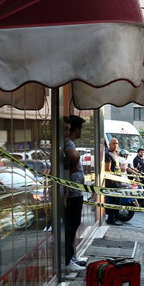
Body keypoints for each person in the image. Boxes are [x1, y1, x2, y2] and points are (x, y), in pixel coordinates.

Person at [63, 115, 88, 271]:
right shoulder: (68, 142)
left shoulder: (68, 142)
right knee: (71, 226)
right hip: (71, 193)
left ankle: (71, 257)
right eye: (80, 129)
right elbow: (73, 157)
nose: (80, 132)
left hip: (74, 192)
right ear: (76, 129)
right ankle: (67, 261)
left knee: (73, 225)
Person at [103, 137, 123, 226]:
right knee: (113, 201)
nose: (115, 145)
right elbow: (107, 169)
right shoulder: (107, 154)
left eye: (117, 143)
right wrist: (114, 179)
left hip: (118, 181)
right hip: (112, 183)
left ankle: (115, 218)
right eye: (114, 143)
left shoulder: (115, 153)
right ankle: (111, 219)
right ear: (110, 144)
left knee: (117, 201)